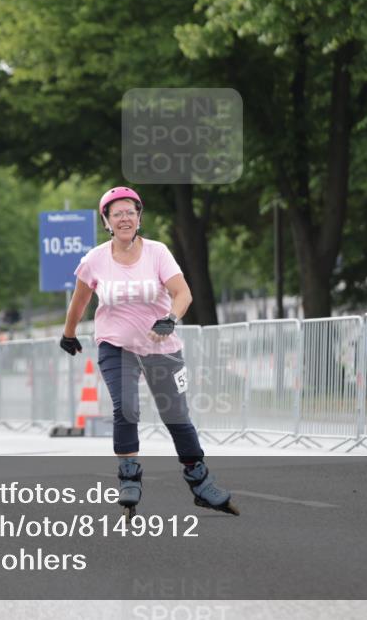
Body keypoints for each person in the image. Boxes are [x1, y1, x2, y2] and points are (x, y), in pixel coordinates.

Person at [60, 186, 238, 518]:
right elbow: (80, 300)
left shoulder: (157, 252)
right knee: (125, 407)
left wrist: (170, 318)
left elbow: (182, 293)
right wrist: (68, 334)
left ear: (139, 217)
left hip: (161, 346)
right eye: (117, 214)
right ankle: (129, 476)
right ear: (107, 222)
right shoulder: (95, 259)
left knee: (177, 417)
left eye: (130, 212)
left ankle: (200, 482)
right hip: (117, 347)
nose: (125, 218)